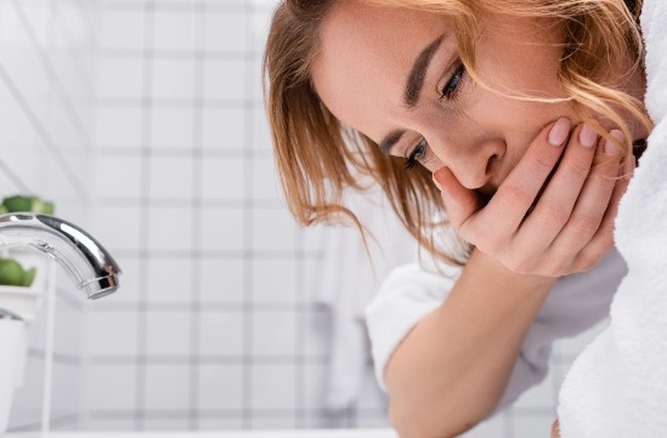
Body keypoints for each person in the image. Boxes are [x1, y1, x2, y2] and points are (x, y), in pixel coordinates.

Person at [263, 0, 655, 437]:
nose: (468, 170)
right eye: (417, 151)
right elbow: (420, 411)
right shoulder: (496, 201)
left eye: (452, 82)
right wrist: (518, 265)